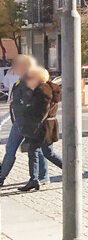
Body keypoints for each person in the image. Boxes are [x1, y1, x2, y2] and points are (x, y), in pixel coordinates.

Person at [0, 55, 47, 187]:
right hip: (21, 120)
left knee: (12, 148)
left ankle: (1, 178)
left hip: (25, 122)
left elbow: (32, 101)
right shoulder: (21, 81)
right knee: (37, 150)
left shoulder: (31, 81)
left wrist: (17, 104)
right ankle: (42, 177)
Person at [17, 67, 63, 192]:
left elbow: (42, 112)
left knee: (38, 152)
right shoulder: (51, 88)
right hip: (48, 125)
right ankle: (34, 179)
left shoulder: (43, 91)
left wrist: (33, 126)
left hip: (41, 127)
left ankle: (34, 180)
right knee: (42, 152)